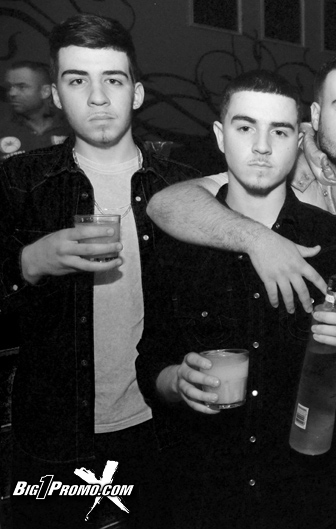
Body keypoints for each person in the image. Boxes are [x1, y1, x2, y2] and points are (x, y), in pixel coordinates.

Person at [145, 54, 336, 529]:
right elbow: (151, 361)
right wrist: (176, 381)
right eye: (245, 128)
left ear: (297, 141)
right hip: (207, 493)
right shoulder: (180, 239)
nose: (261, 146)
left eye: (278, 131)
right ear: (220, 136)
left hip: (311, 497)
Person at [0, 14, 199, 528]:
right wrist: (29, 262)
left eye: (112, 79)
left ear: (136, 93)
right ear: (55, 95)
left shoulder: (182, 189)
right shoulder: (19, 182)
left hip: (159, 426)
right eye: (77, 81)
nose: (97, 97)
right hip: (55, 436)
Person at [1, 60, 71, 160]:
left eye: (22, 87)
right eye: (10, 87)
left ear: (45, 91)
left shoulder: (72, 128)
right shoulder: (4, 129)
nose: (12, 93)